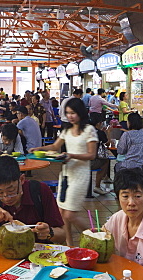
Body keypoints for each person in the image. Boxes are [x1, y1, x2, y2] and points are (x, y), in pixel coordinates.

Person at [30, 98, 98, 246]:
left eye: (73, 113)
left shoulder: (89, 130)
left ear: (80, 112)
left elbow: (92, 155)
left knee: (69, 214)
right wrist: (39, 148)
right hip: (66, 175)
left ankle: (96, 237)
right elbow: (55, 146)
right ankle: (69, 245)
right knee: (62, 214)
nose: (70, 116)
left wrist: (71, 155)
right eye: (68, 113)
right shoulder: (66, 130)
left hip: (80, 175)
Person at [89, 112, 113, 194]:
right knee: (105, 161)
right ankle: (98, 185)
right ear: (99, 123)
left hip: (81, 159)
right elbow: (108, 143)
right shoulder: (99, 133)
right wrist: (109, 132)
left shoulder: (85, 131)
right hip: (91, 162)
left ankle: (104, 177)